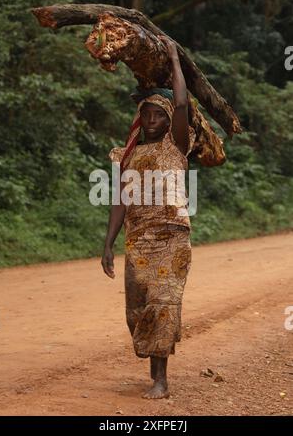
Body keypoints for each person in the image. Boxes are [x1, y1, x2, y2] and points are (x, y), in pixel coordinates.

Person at [101, 35, 196, 399]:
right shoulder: (127, 156)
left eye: (160, 114)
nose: (153, 120)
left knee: (162, 304)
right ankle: (153, 367)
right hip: (138, 240)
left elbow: (183, 101)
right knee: (137, 311)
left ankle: (161, 379)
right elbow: (120, 201)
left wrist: (174, 56)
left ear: (170, 120)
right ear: (140, 118)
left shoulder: (177, 145)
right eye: (148, 114)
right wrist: (108, 243)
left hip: (172, 237)